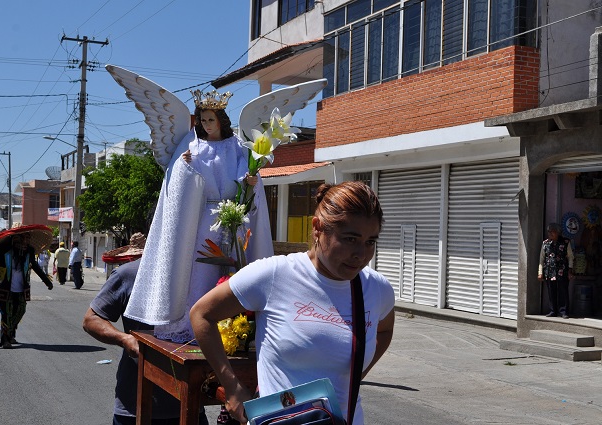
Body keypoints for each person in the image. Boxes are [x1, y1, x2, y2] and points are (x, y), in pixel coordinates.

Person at [190, 181, 396, 425]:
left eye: (370, 241)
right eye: (350, 239)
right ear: (318, 228)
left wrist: (355, 375)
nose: (361, 254)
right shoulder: (275, 275)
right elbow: (202, 314)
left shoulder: (377, 288)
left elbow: (384, 329)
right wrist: (231, 386)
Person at [124, 89, 273, 343]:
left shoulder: (235, 144)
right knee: (199, 269)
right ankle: (194, 325)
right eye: (203, 120)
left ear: (221, 121)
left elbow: (245, 173)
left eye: (211, 120)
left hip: (231, 216)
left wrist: (249, 180)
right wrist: (183, 164)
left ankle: (233, 326)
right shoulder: (192, 144)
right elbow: (177, 174)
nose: (206, 125)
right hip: (203, 219)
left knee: (232, 268)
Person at [82, 236, 209, 425]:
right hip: (136, 404)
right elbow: (91, 319)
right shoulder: (128, 274)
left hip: (190, 402)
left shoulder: (197, 277)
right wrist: (124, 339)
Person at [0, 224, 54, 348]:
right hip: (5, 287)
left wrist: (47, 281)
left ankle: (10, 333)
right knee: (6, 313)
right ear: (15, 239)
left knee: (20, 310)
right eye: (23, 239)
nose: (25, 242)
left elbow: (36, 267)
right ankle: (5, 340)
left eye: (27, 239)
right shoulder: (2, 250)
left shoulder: (28, 251)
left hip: (21, 289)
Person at [538, 222, 574, 318]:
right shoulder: (545, 243)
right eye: (549, 232)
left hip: (562, 271)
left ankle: (563, 312)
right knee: (551, 291)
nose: (549, 234)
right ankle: (553, 310)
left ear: (558, 232)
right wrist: (540, 272)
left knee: (563, 291)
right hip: (549, 272)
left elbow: (570, 257)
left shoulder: (566, 242)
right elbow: (541, 259)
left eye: (552, 232)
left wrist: (570, 270)